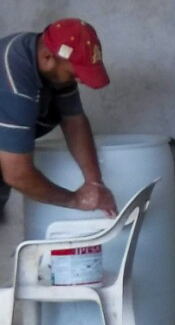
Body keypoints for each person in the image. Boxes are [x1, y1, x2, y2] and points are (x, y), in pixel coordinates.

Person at [0, 19, 117, 217]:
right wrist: (77, 200)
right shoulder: (13, 84)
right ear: (47, 59)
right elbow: (17, 174)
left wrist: (93, 182)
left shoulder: (48, 60)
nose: (78, 80)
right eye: (74, 74)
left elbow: (74, 120)